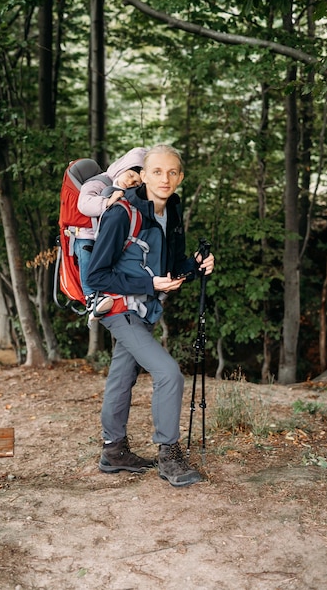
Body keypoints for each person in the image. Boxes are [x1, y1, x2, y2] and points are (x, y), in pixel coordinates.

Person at [86, 144, 215, 487]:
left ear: (181, 177)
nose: (165, 178)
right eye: (157, 171)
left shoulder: (171, 210)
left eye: (173, 172)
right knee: (168, 372)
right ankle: (169, 456)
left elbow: (171, 267)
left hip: (145, 306)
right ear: (142, 175)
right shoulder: (121, 213)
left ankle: (113, 452)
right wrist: (149, 282)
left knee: (122, 375)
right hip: (117, 307)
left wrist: (197, 267)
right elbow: (95, 276)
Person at [75, 147, 146, 321]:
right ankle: (91, 298)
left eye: (137, 182)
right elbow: (84, 203)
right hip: (86, 234)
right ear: (122, 168)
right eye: (130, 176)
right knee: (86, 256)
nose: (131, 182)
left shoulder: (129, 193)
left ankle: (109, 292)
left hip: (105, 237)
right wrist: (106, 202)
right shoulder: (99, 183)